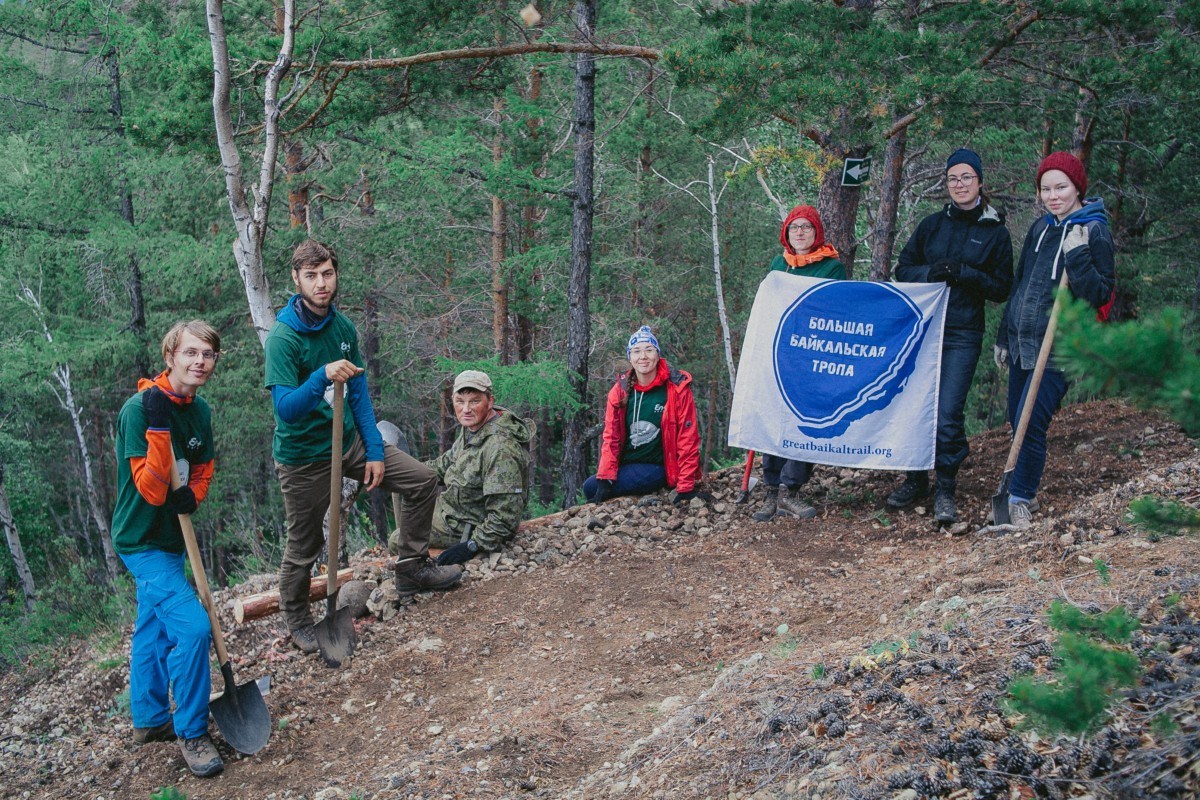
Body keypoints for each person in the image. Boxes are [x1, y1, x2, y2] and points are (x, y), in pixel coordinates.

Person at [265, 239, 461, 654]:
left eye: (328, 274)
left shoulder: (343, 330)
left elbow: (359, 397)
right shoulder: (284, 338)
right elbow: (286, 409)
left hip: (349, 443)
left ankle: (411, 568)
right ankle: (299, 620)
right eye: (312, 276)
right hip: (304, 459)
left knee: (423, 481)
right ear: (296, 279)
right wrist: (320, 375)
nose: (322, 283)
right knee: (303, 545)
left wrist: (373, 449)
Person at [112, 320, 224, 778]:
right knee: (194, 629)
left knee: (152, 629)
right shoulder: (139, 410)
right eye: (191, 353)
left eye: (208, 355)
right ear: (170, 357)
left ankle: (149, 719)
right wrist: (159, 427)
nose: (200, 362)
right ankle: (192, 732)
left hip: (173, 540)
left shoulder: (200, 412)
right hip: (141, 540)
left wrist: (194, 496)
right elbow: (153, 491)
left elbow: (204, 467)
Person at [887, 148, 1014, 523]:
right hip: (921, 331)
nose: (960, 184)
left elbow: (1001, 287)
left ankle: (945, 486)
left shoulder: (995, 233)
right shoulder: (931, 225)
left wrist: (964, 273)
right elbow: (903, 268)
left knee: (946, 413)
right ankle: (915, 479)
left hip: (962, 332)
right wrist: (931, 273)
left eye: (967, 177)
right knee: (914, 406)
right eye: (953, 178)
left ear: (980, 183)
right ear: (947, 184)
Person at [994, 151, 1115, 528]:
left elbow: (1100, 293)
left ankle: (1020, 500)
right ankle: (1011, 493)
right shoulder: (1040, 227)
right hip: (1021, 341)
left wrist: (1077, 254)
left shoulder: (1093, 229)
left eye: (1061, 187)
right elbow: (1020, 283)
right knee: (1018, 420)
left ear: (1078, 187)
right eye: (1046, 189)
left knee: (1031, 423)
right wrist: (1003, 334)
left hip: (1059, 346)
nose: (1053, 195)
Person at [753, 205, 847, 521]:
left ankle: (792, 491)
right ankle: (770, 491)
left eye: (806, 227)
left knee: (804, 421)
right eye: (794, 228)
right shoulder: (779, 265)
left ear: (816, 231)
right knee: (774, 419)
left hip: (814, 356)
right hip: (782, 355)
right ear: (787, 233)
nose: (801, 233)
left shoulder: (832, 268)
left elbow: (835, 311)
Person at [409, 370, 536, 566]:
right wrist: (403, 471)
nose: (466, 409)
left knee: (400, 538)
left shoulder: (500, 448)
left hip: (467, 526)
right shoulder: (472, 428)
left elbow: (504, 519)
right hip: (452, 510)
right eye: (460, 401)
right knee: (409, 513)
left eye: (475, 401)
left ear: (490, 401)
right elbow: (446, 465)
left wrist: (471, 546)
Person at [583, 326, 701, 504]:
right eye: (636, 351)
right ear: (630, 357)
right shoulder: (620, 391)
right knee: (591, 487)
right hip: (628, 465)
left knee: (594, 490)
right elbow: (611, 437)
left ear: (658, 354)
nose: (643, 356)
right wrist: (605, 476)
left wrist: (685, 487)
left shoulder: (676, 389)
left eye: (649, 350)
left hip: (661, 467)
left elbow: (688, 439)